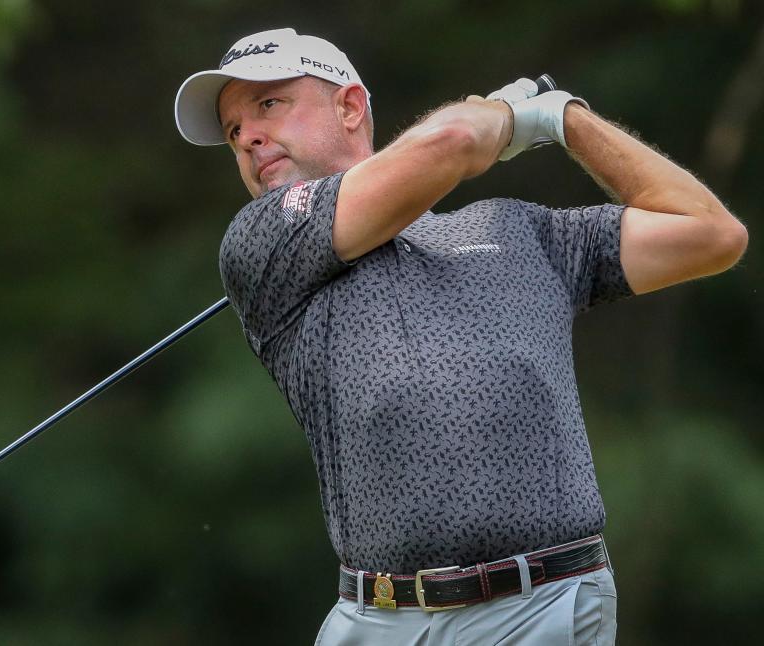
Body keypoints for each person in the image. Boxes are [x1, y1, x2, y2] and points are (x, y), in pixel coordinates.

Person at [174, 28, 747, 645]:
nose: (248, 137)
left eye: (268, 105)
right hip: (376, 620)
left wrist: (565, 121)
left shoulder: (520, 232)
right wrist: (503, 115)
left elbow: (712, 234)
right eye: (234, 131)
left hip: (540, 610)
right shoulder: (262, 243)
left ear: (349, 106)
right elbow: (451, 140)